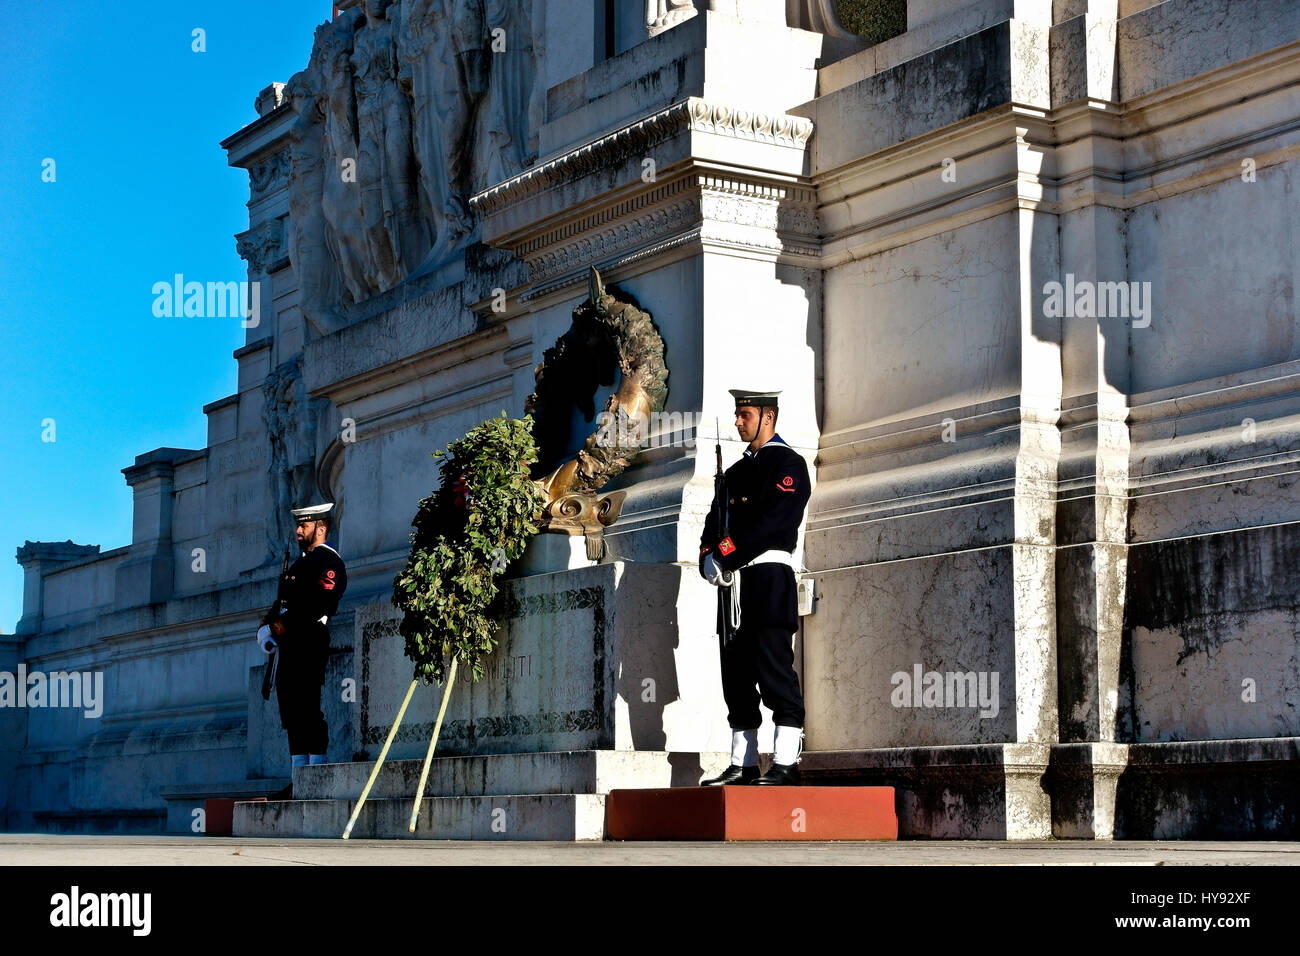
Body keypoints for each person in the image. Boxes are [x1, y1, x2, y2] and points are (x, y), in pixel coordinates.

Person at [698, 389, 811, 786]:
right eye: (737, 414)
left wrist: (724, 554)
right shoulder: (733, 473)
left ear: (768, 416)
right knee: (737, 677)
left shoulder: (788, 464)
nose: (737, 422)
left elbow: (772, 524)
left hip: (767, 582)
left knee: (774, 671)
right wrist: (707, 557)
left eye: (744, 414)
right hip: (733, 588)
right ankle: (743, 763)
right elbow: (714, 524)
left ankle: (784, 762)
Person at [257, 502, 348, 797]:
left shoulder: (328, 563)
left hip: (309, 642)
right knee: (292, 712)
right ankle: (299, 778)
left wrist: (276, 629)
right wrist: (265, 627)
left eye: (304, 526)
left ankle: (316, 777)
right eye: (298, 525)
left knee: (308, 709)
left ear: (320, 529)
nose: (298, 531)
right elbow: (283, 604)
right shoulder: (299, 563)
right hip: (290, 647)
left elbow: (314, 608)